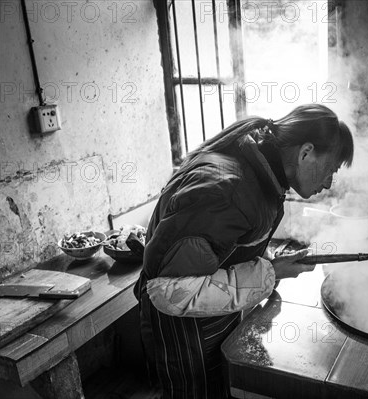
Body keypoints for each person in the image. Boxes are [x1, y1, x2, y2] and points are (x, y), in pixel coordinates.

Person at [133, 103, 354, 398]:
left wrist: (271, 265)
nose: (328, 183)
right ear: (305, 153)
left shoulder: (261, 172)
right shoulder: (227, 191)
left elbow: (229, 245)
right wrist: (270, 274)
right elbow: (169, 291)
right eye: (330, 170)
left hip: (207, 318)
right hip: (183, 330)